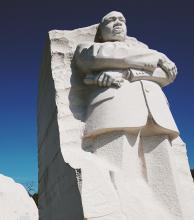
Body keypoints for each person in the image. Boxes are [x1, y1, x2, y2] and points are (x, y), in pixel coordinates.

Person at [74, 11, 184, 216]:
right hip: (115, 111)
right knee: (117, 171)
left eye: (122, 20)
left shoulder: (138, 52)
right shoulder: (91, 48)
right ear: (100, 30)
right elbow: (98, 58)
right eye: (111, 20)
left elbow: (168, 74)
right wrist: (158, 57)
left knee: (166, 177)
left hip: (156, 111)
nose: (118, 23)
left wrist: (127, 73)